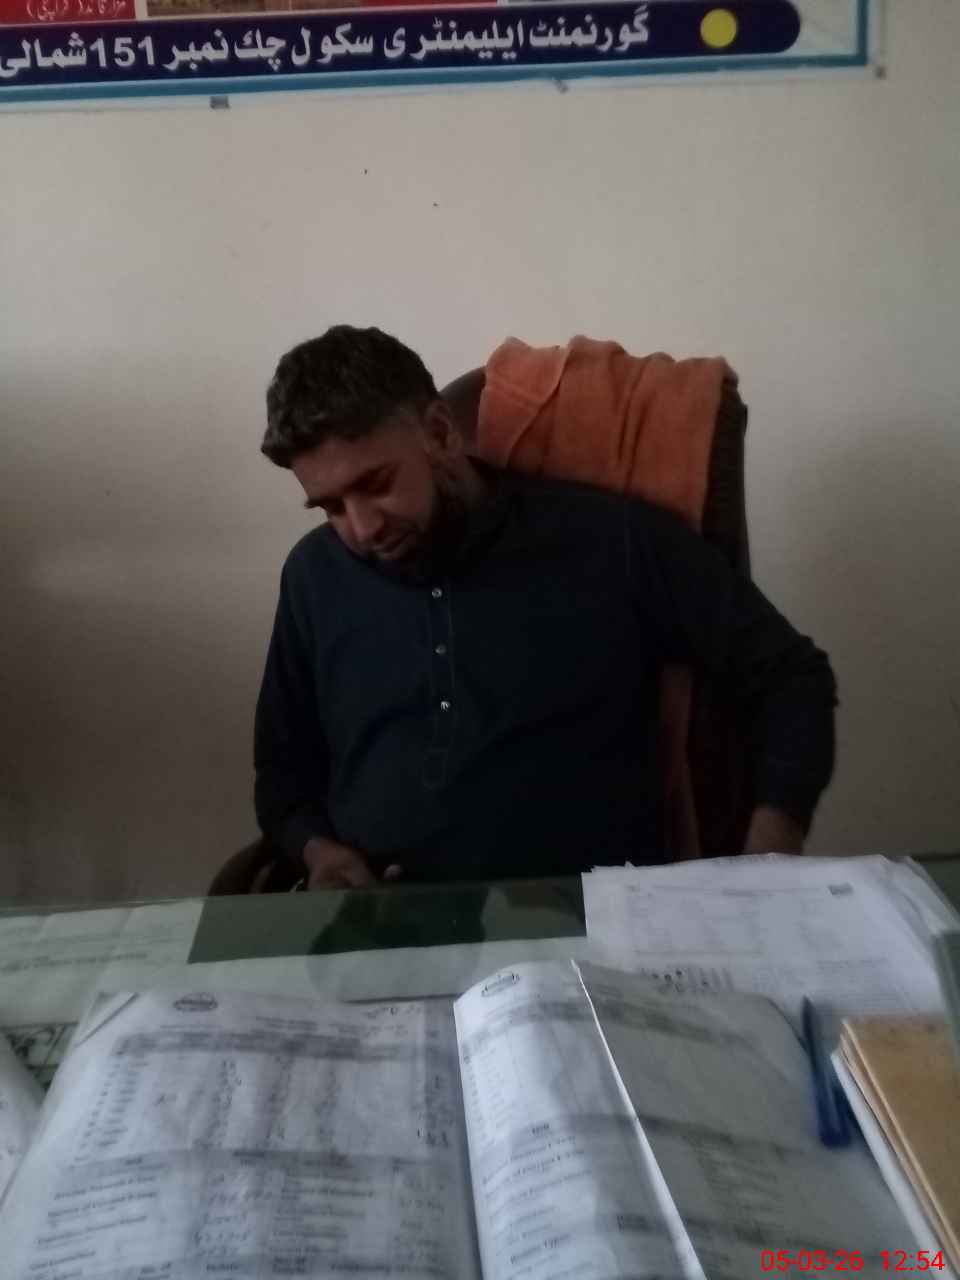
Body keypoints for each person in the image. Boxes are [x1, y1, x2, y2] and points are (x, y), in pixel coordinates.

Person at [255, 326, 837, 891]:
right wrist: (319, 851)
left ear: (438, 431)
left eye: (376, 484)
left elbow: (792, 676)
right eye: (330, 507)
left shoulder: (606, 540)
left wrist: (767, 860)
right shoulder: (314, 575)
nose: (362, 529)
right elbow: (282, 773)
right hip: (380, 925)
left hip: (587, 923)